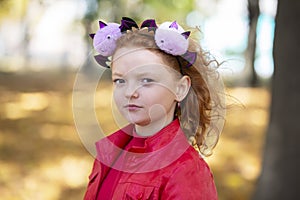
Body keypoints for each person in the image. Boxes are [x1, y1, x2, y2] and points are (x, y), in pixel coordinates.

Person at [83, 17, 225, 200]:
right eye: (120, 80)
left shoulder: (185, 169)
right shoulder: (109, 152)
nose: (130, 92)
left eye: (146, 80)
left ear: (180, 89)